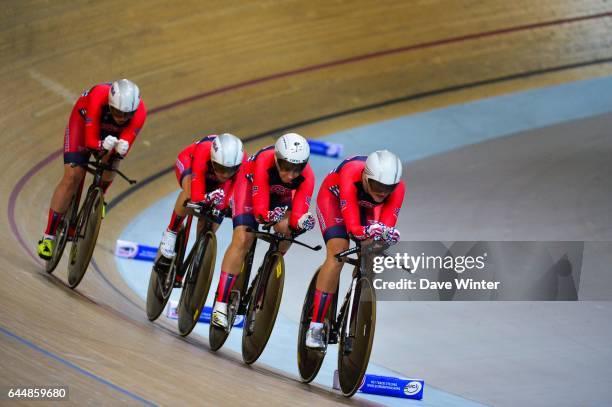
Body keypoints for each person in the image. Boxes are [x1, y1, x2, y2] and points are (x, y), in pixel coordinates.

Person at [211, 133, 316, 328]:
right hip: (250, 191)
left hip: (279, 198)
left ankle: (267, 272)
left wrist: (299, 224)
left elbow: (297, 214)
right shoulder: (263, 161)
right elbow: (260, 211)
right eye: (285, 167)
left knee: (289, 233)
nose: (291, 175)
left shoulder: (307, 176)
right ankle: (220, 305)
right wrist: (268, 216)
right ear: (276, 159)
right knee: (243, 238)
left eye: (297, 169)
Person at [305, 150, 405, 348]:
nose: (382, 192)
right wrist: (370, 232)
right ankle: (315, 326)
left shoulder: (399, 188)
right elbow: (353, 228)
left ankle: (356, 303)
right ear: (366, 177)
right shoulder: (351, 172)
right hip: (334, 202)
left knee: (372, 255)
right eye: (377, 185)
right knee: (338, 253)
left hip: (366, 210)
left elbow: (385, 225)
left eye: (389, 188)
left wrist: (385, 235)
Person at [38, 79, 146, 260]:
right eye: (116, 111)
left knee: (113, 160)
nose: (120, 117)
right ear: (110, 104)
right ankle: (48, 236)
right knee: (73, 175)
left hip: (110, 133)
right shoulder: (98, 95)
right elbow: (90, 140)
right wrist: (100, 144)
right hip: (83, 124)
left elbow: (126, 143)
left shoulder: (140, 112)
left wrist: (118, 149)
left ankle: (100, 194)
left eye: (126, 114)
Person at [157, 133, 246, 287]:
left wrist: (223, 206)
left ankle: (199, 252)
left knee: (211, 220)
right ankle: (171, 232)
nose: (224, 174)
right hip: (191, 165)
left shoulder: (242, 163)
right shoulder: (204, 150)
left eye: (229, 170)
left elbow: (231, 194)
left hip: (215, 183)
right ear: (213, 159)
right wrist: (205, 198)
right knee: (190, 194)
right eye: (220, 168)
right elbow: (197, 195)